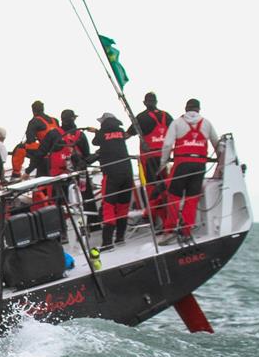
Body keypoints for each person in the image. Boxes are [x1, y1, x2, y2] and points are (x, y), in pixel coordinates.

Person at [158, 99, 220, 245]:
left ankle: (170, 231)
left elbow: (167, 144)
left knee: (174, 197)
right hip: (199, 165)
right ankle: (186, 231)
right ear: (199, 109)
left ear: (186, 109)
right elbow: (217, 143)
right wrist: (219, 160)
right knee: (192, 199)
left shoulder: (177, 123)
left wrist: (162, 163)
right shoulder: (207, 123)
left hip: (181, 164)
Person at [127, 92, 174, 226]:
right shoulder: (167, 116)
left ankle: (151, 215)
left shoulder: (141, 118)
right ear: (156, 101)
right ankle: (168, 216)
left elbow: (127, 135)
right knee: (166, 186)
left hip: (150, 158)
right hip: (165, 157)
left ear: (144, 102)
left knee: (152, 188)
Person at [90, 113, 133, 250]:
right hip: (127, 172)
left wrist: (96, 132)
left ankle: (107, 242)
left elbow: (95, 142)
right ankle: (120, 237)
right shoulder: (120, 132)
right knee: (123, 206)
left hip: (112, 174)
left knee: (108, 206)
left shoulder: (102, 133)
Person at [11, 101, 61, 179]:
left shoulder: (34, 121)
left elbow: (30, 140)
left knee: (20, 147)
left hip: (45, 149)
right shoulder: (55, 120)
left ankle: (16, 174)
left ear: (33, 111)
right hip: (58, 148)